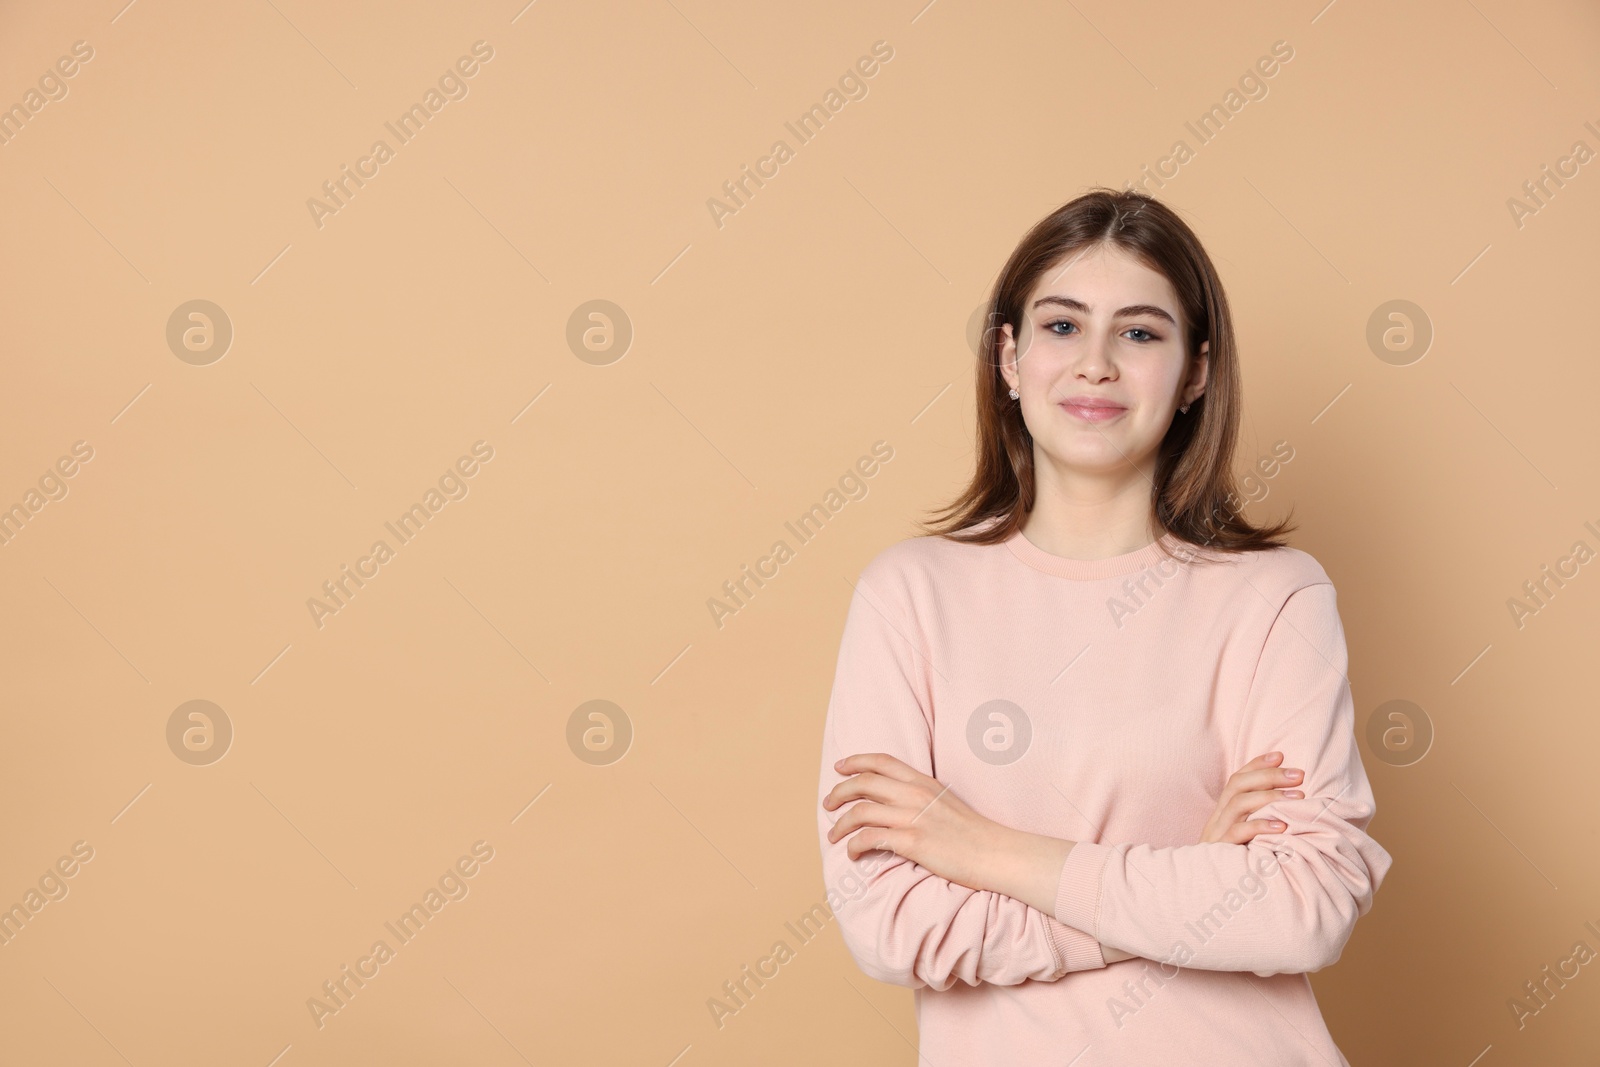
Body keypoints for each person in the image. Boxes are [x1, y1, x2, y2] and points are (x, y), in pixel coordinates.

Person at [816, 188, 1392, 1065]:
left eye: (1140, 332)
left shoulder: (1275, 597)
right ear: (1008, 356)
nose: (1095, 364)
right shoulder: (910, 595)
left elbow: (1306, 903)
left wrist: (986, 848)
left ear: (1195, 370)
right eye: (1060, 326)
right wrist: (1184, 881)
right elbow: (892, 927)